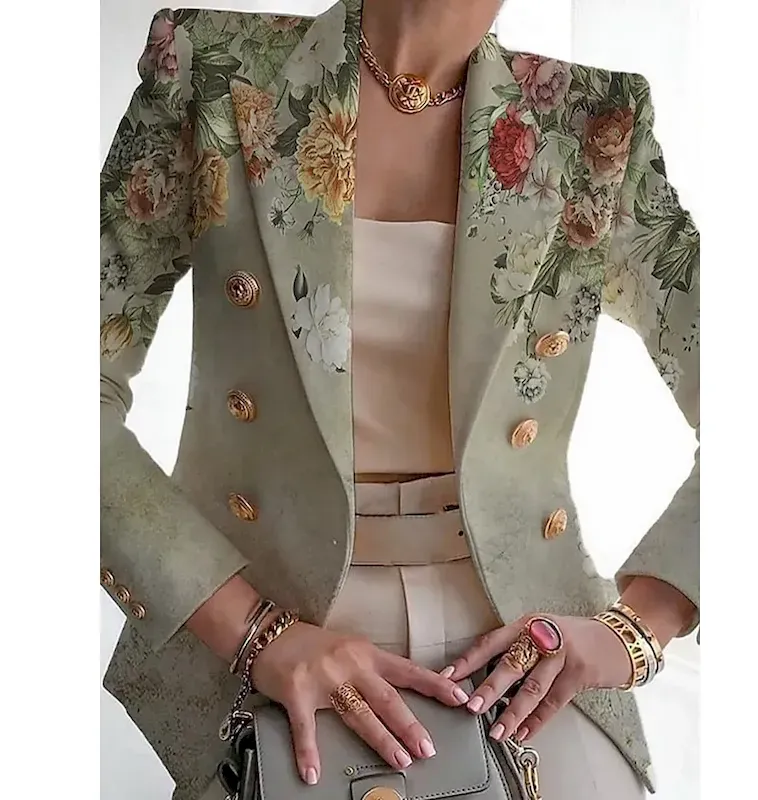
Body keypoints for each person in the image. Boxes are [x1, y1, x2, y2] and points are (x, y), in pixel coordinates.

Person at [99, 1, 700, 798]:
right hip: (275, 628)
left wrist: (638, 629)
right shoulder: (212, 73)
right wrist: (254, 633)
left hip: (528, 651)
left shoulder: (593, 128)